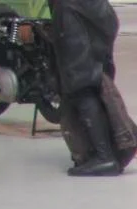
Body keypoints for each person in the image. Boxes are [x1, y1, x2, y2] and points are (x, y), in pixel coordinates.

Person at [48, 0, 126, 176]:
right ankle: (98, 151)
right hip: (95, 14)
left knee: (81, 86)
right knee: (88, 82)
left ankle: (104, 156)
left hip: (75, 14)